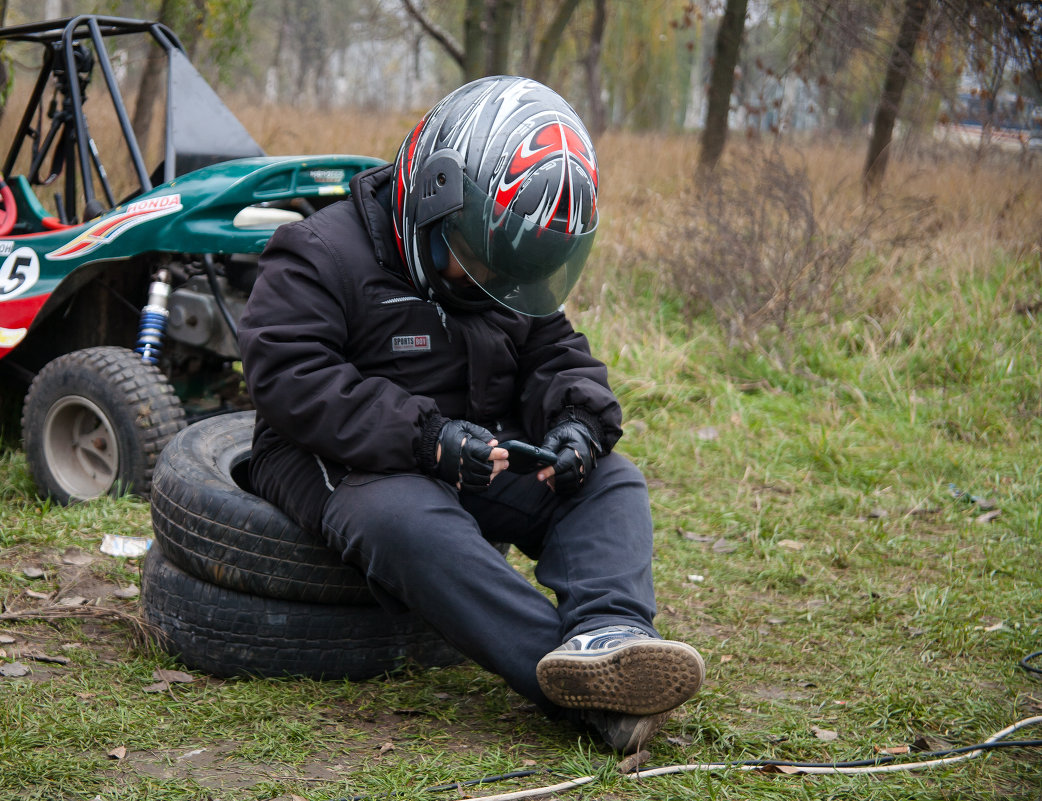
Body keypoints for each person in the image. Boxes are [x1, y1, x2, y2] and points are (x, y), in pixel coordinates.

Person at [236, 75, 704, 753]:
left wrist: (577, 425)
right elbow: (288, 374)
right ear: (434, 196)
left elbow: (556, 351)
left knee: (613, 479)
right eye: (475, 259)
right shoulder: (317, 251)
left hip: (469, 449)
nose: (487, 280)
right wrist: (424, 436)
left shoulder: (505, 269)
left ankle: (612, 636)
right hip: (342, 458)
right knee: (410, 521)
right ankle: (574, 681)